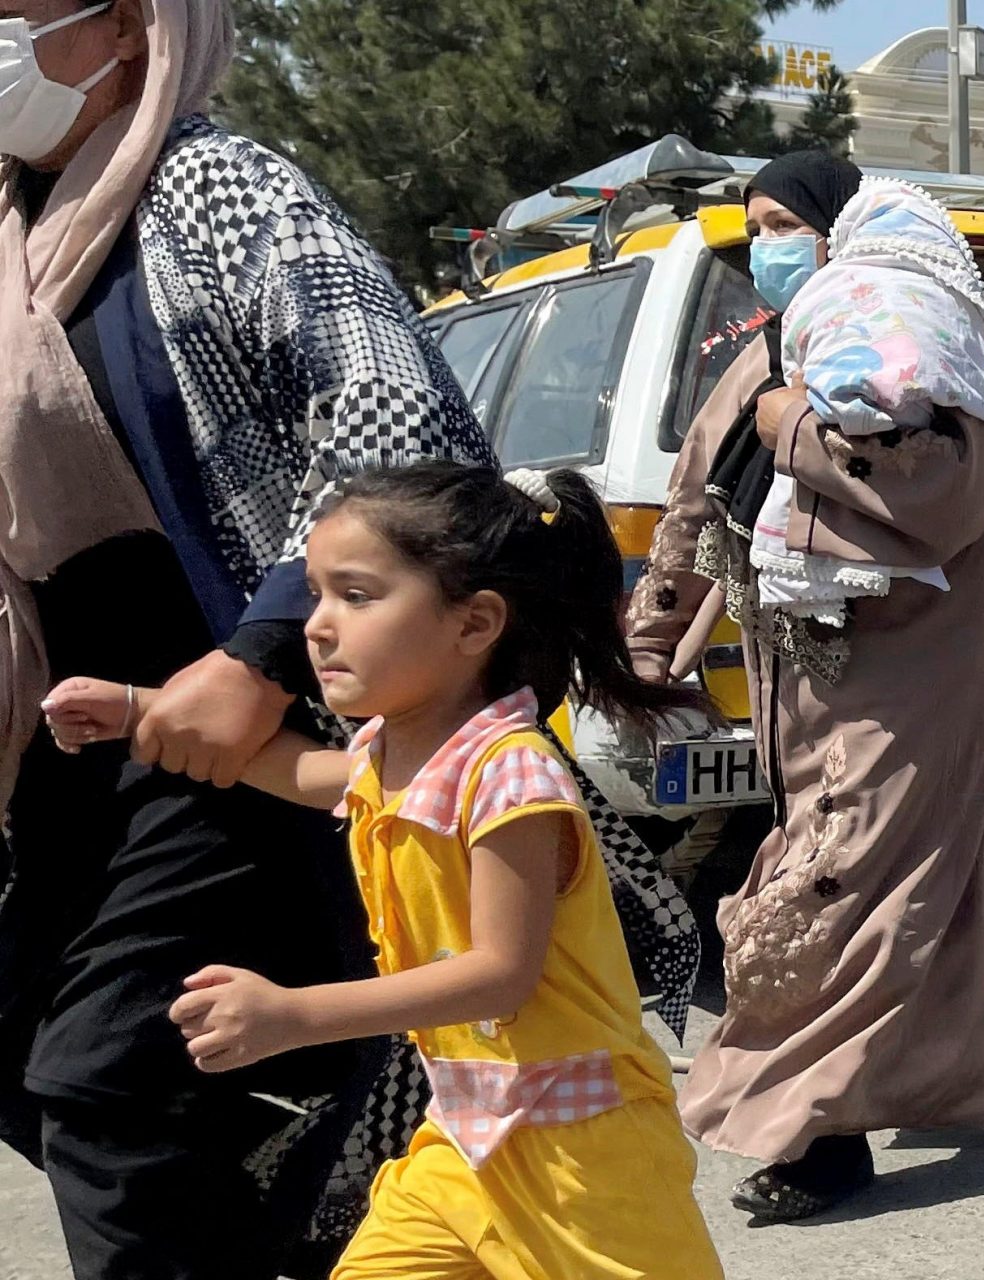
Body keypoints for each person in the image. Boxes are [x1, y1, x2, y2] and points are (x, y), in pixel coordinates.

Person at [0, 2, 615, 1273]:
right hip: (77, 727)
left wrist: (262, 649)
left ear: (122, 27)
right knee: (44, 1056)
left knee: (107, 1082)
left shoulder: (214, 189)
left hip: (239, 719)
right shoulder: (12, 230)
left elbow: (400, 414)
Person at [624, 152, 984, 1220]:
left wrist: (793, 429)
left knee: (843, 871)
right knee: (963, 861)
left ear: (840, 227)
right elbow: (695, 498)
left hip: (922, 655)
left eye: (785, 221)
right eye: (755, 227)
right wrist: (649, 633)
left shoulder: (927, 349)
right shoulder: (769, 354)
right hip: (804, 665)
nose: (767, 246)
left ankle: (816, 1125)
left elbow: (945, 497)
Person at [43, 463, 726, 1278]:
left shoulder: (511, 775)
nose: (318, 627)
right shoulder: (395, 754)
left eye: (357, 597)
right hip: (464, 1142)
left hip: (582, 1154)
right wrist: (139, 709)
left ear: (475, 625)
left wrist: (292, 1014)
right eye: (318, 595)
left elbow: (498, 977)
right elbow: (295, 772)